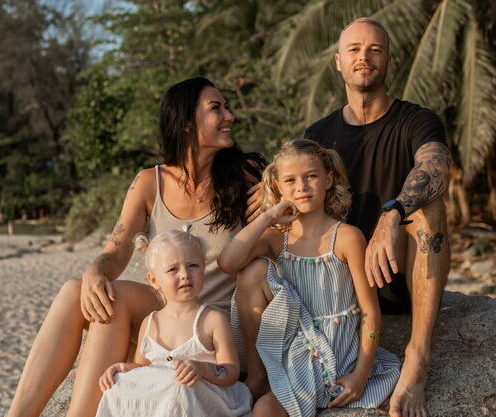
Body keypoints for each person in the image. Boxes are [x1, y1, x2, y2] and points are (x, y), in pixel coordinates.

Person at [8, 77, 266, 417]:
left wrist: (274, 192)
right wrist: (96, 269)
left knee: (109, 299)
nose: (230, 116)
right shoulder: (150, 182)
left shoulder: (247, 175)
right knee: (79, 289)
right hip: (166, 311)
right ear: (187, 121)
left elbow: (296, 194)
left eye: (227, 107)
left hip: (216, 321)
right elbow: (118, 248)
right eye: (216, 108)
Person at [304, 18, 452, 417]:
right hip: (344, 286)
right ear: (338, 61)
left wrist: (392, 214)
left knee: (429, 208)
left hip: (399, 272)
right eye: (353, 49)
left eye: (375, 49)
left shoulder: (416, 120)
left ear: (389, 60)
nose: (363, 57)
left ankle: (416, 360)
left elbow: (436, 167)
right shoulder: (318, 134)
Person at [218, 139, 401, 417]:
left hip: (336, 353)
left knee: (265, 410)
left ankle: (281, 387)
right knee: (252, 272)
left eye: (311, 176)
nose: (301, 187)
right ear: (278, 187)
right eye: (290, 180)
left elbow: (370, 312)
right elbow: (228, 262)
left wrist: (361, 376)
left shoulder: (347, 237)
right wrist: (268, 216)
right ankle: (258, 376)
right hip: (295, 348)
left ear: (328, 180)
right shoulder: (276, 238)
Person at [96, 230, 252, 417]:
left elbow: (231, 371)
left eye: (193, 265)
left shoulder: (212, 319)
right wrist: (125, 369)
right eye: (173, 269)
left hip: (206, 397)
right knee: (117, 385)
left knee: (180, 387)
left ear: (203, 268)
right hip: (168, 396)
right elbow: (144, 371)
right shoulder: (151, 323)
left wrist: (203, 369)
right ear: (154, 280)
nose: (185, 274)